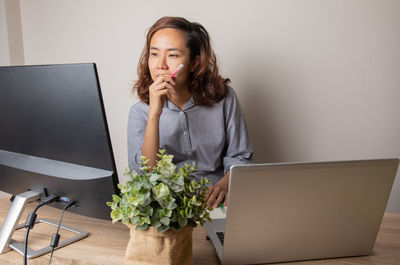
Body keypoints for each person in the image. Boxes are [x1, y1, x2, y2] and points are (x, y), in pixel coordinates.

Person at [128, 16, 253, 208]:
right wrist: (154, 114)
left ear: (194, 63)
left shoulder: (224, 98)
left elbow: (241, 157)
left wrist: (223, 186)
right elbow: (145, 175)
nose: (160, 65)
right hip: (168, 210)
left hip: (216, 203)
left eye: (172, 55)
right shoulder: (140, 112)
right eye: (154, 54)